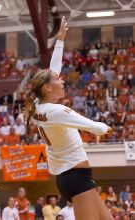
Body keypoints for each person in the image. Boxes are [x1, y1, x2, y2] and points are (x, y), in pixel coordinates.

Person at [25, 16, 113, 220]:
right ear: (47, 87)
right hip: (76, 178)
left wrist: (61, 39)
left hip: (75, 177)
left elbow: (53, 68)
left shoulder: (40, 105)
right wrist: (106, 128)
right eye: (57, 79)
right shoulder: (56, 112)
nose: (61, 78)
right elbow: (94, 127)